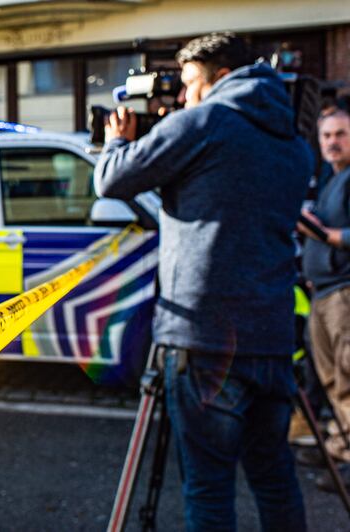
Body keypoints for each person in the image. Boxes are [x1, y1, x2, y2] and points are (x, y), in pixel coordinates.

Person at [94, 32, 310, 531]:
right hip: (274, 337)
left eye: (190, 83)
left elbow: (111, 179)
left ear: (223, 77)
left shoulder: (207, 122)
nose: (184, 96)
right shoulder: (293, 143)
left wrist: (119, 142)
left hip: (204, 336)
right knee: (275, 477)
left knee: (209, 487)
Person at [298, 107, 350, 490]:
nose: (333, 142)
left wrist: (325, 234)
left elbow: (339, 234)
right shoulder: (330, 180)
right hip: (324, 293)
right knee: (331, 379)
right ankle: (338, 445)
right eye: (327, 135)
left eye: (341, 134)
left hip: (345, 295)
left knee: (347, 380)